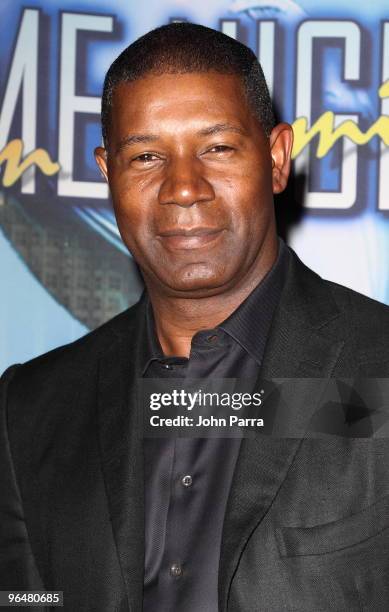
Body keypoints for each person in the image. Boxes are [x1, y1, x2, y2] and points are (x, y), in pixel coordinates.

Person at [1, 22, 389, 612]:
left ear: (277, 157)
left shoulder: (378, 370)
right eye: (148, 155)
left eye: (217, 148)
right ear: (109, 174)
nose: (184, 187)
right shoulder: (30, 408)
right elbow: (29, 600)